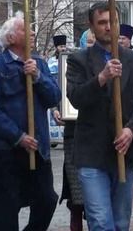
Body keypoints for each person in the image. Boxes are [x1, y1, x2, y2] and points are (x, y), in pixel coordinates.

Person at [66, 1, 133, 231]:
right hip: (92, 154)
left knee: (120, 222)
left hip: (124, 152)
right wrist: (101, 78)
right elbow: (75, 98)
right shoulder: (79, 60)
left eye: (112, 21)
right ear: (92, 26)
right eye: (102, 22)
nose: (108, 27)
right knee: (100, 221)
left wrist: (131, 130)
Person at [0, 13, 61, 231]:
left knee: (47, 200)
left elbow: (54, 97)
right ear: (12, 37)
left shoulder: (39, 64)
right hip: (5, 150)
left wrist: (38, 77)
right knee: (6, 209)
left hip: (38, 148)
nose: (33, 33)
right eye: (26, 30)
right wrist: (18, 136)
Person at [52, 35, 85, 231]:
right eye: (86, 42)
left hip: (97, 136)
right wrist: (58, 108)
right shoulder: (68, 66)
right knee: (75, 191)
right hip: (73, 133)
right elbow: (60, 94)